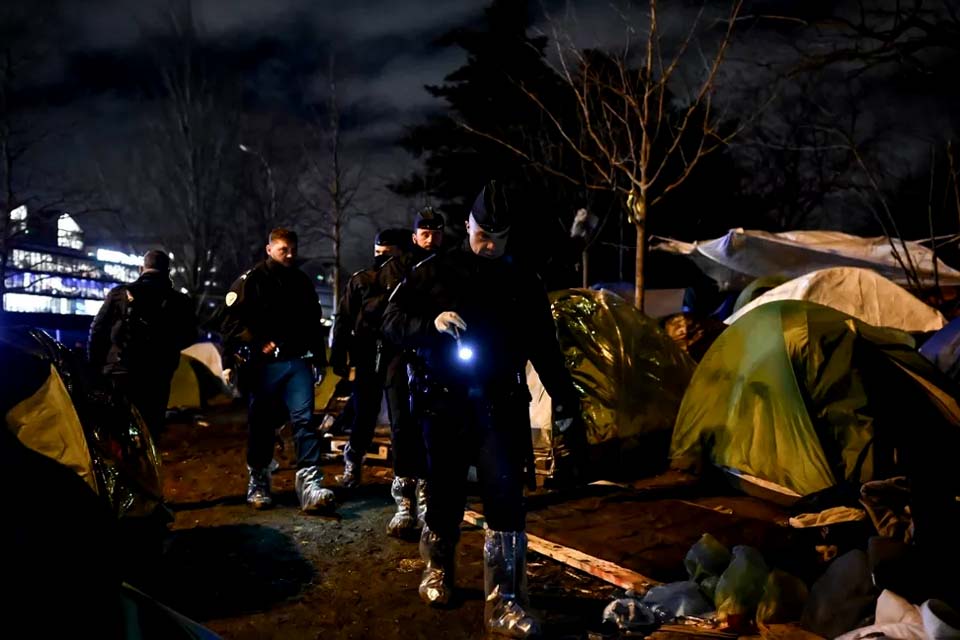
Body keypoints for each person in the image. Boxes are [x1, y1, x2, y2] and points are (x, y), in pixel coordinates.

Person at [382, 183, 586, 637]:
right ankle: (437, 569)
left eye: (498, 236)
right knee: (446, 492)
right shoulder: (434, 271)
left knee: (505, 496)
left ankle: (507, 600)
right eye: (481, 234)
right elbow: (390, 322)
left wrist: (567, 404)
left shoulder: (524, 281)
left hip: (501, 404)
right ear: (468, 225)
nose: (488, 244)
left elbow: (545, 349)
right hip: (444, 402)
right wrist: (429, 326)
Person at [220, 228, 334, 513]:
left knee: (305, 421)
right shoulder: (252, 281)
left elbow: (313, 322)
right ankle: (258, 479)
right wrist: (254, 344)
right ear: (269, 249)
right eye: (284, 249)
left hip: (298, 362)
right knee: (261, 423)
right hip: (264, 366)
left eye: (293, 249)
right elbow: (230, 324)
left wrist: (319, 359)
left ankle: (309, 483)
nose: (290, 255)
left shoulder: (301, 281)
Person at [375, 207, 446, 537]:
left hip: (437, 361)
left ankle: (427, 496)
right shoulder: (396, 269)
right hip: (399, 359)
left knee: (432, 430)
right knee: (403, 427)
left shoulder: (450, 267)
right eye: (425, 233)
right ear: (415, 235)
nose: (431, 238)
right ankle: (404, 501)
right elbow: (384, 319)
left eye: (436, 232)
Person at [329, 228, 409, 491]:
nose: (382, 259)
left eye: (388, 254)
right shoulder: (361, 280)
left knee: (400, 416)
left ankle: (404, 476)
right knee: (364, 413)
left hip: (396, 353)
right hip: (367, 353)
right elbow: (343, 318)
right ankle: (353, 462)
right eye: (379, 253)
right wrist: (339, 355)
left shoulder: (406, 280)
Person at [88, 249, 196, 435]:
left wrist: (95, 368)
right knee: (150, 429)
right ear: (167, 271)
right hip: (157, 375)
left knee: (116, 428)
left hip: (120, 372)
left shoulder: (119, 294)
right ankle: (146, 461)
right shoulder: (180, 301)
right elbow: (189, 335)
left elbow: (97, 331)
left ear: (141, 269)